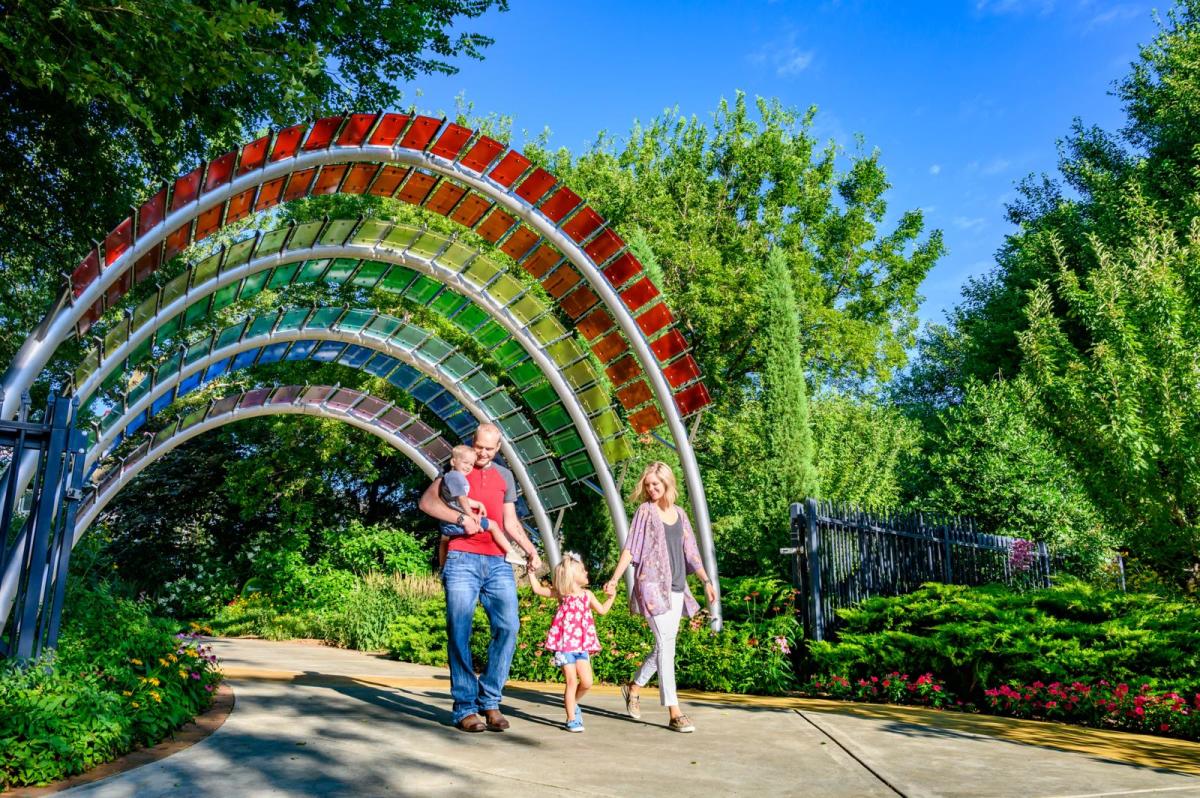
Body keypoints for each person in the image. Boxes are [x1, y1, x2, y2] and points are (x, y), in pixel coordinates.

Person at [418, 423, 543, 733]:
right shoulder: (458, 469)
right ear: (471, 443)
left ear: (498, 448)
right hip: (462, 558)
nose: (483, 453)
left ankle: (490, 700)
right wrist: (461, 518)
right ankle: (465, 707)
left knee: (508, 626)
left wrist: (530, 550)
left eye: (489, 449)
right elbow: (428, 503)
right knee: (458, 628)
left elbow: (510, 521)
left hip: (498, 562)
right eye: (479, 447)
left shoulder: (505, 476)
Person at [603, 461, 717, 733]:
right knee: (667, 645)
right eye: (648, 485)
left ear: (667, 484)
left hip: (677, 587)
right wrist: (615, 579)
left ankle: (634, 687)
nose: (652, 489)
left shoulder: (680, 514)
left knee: (664, 644)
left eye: (656, 484)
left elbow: (691, 551)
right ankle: (674, 711)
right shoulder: (645, 511)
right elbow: (631, 548)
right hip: (651, 586)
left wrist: (706, 581)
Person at [526, 551, 616, 732]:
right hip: (564, 646)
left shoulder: (587, 595)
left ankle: (572, 703)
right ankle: (571, 718)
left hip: (581, 646)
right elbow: (537, 589)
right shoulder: (562, 594)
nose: (587, 573)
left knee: (588, 682)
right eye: (583, 571)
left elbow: (602, 611)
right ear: (572, 576)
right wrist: (530, 573)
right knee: (571, 682)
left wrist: (611, 597)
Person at [438, 444, 527, 566]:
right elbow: (462, 498)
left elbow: (458, 499)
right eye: (465, 463)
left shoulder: (454, 477)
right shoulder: (455, 477)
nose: (469, 467)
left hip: (453, 523)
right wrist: (470, 514)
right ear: (453, 461)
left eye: (471, 464)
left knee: (480, 526)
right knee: (493, 525)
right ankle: (510, 552)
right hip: (453, 523)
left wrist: (478, 504)